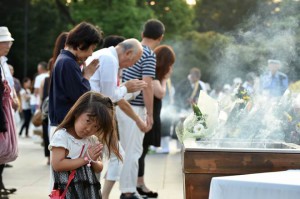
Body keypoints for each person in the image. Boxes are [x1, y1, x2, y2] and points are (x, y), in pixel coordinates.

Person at [86, 38, 148, 199]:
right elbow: (108, 96)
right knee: (116, 155)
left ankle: (98, 195)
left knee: (99, 157)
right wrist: (127, 88)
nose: (131, 65)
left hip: (93, 112)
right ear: (127, 53)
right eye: (133, 60)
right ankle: (101, 196)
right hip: (95, 114)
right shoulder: (110, 59)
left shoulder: (105, 55)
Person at [118, 19, 165, 199]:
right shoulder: (148, 55)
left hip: (122, 104)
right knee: (134, 151)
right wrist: (150, 115)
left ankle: (127, 189)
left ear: (142, 34)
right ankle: (128, 191)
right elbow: (147, 86)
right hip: (135, 108)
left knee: (126, 150)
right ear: (160, 37)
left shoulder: (131, 47)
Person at [49, 91, 122, 199]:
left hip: (86, 191)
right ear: (77, 112)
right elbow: (57, 165)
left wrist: (93, 160)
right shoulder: (62, 137)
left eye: (96, 127)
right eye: (88, 121)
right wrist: (86, 158)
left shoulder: (91, 140)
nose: (89, 129)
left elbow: (99, 167)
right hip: (66, 191)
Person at [49, 21, 103, 136]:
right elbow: (82, 97)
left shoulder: (64, 59)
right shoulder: (68, 63)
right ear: (81, 44)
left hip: (61, 125)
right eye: (92, 48)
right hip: (66, 127)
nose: (91, 54)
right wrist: (87, 75)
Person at [138, 45, 175, 198]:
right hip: (147, 116)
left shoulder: (154, 74)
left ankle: (139, 183)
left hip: (150, 115)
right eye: (170, 64)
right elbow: (160, 93)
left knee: (143, 151)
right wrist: (166, 78)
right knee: (141, 151)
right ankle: (138, 184)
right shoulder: (153, 75)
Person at [40, 32, 68, 165]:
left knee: (49, 132)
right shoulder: (66, 62)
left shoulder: (55, 61)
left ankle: (49, 157)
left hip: (51, 102)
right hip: (59, 107)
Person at [0, 26, 17, 197]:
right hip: (2, 109)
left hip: (5, 109)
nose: (9, 45)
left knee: (3, 150)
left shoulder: (3, 63)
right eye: (6, 42)